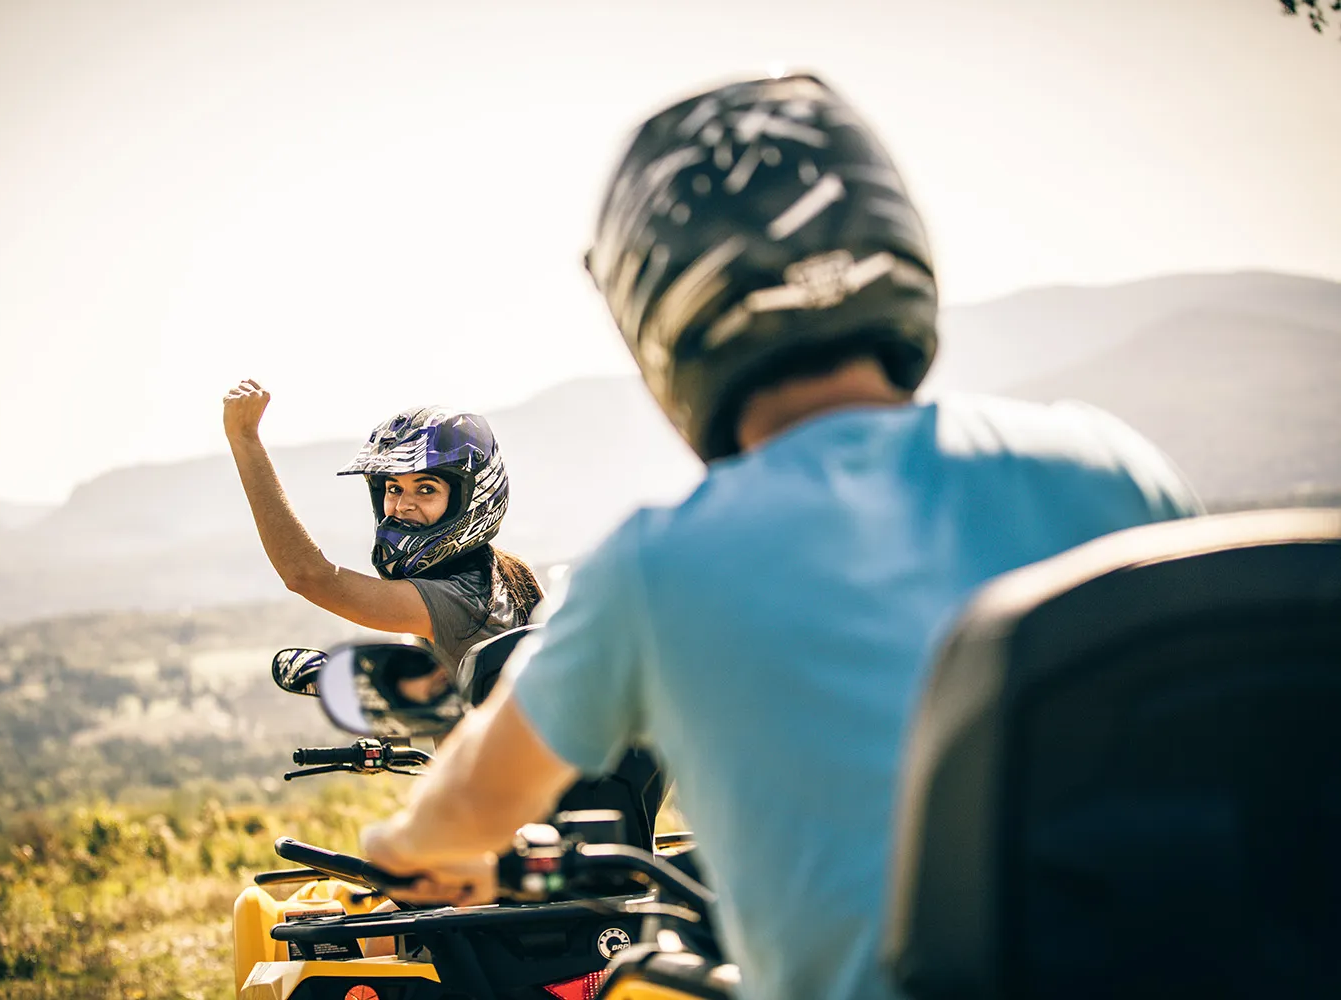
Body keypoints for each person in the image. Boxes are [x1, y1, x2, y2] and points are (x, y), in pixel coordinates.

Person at [356, 72, 1204, 1000]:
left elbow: (476, 806)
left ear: (660, 306)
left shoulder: (656, 567)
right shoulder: (1109, 466)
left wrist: (402, 848)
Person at [222, 388, 542, 671]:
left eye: (426, 489)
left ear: (471, 498)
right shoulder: (501, 573)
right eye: (393, 488)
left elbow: (307, 575)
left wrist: (245, 439)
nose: (403, 505)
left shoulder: (458, 601)